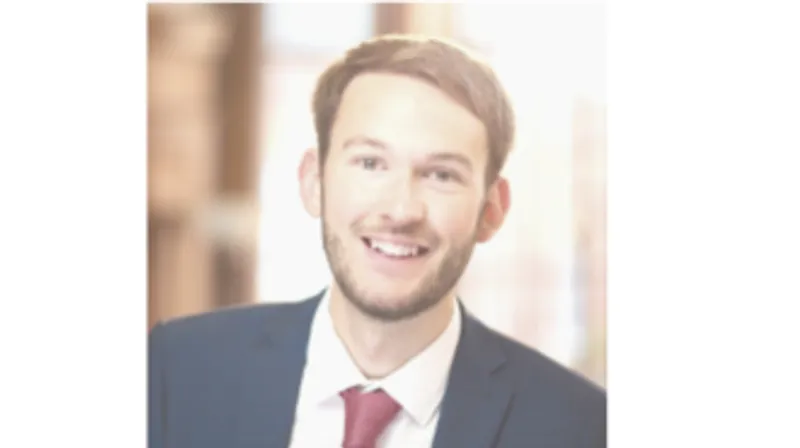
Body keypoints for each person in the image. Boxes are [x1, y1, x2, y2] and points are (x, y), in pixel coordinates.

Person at [148, 34, 606, 448]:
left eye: (441, 175)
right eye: (370, 163)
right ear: (313, 181)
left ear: (492, 210)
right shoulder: (176, 370)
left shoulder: (580, 428)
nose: (400, 210)